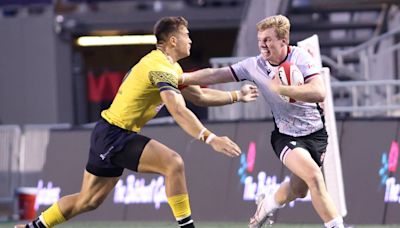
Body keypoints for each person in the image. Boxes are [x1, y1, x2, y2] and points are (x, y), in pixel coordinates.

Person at [16, 16, 259, 228]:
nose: (190, 40)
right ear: (172, 41)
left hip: (108, 133)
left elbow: (200, 95)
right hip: (115, 135)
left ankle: (33, 227)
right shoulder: (158, 68)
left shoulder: (169, 66)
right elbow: (177, 109)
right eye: (186, 35)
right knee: (173, 163)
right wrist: (210, 138)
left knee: (87, 201)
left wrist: (237, 96)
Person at [179, 15, 345, 228]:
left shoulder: (301, 58)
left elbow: (319, 91)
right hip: (286, 136)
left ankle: (268, 202)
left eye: (268, 39)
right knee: (314, 177)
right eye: (260, 39)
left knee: (300, 189)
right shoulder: (254, 65)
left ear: (283, 41)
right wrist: (181, 78)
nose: (262, 44)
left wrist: (282, 89)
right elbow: (215, 74)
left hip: (316, 134)